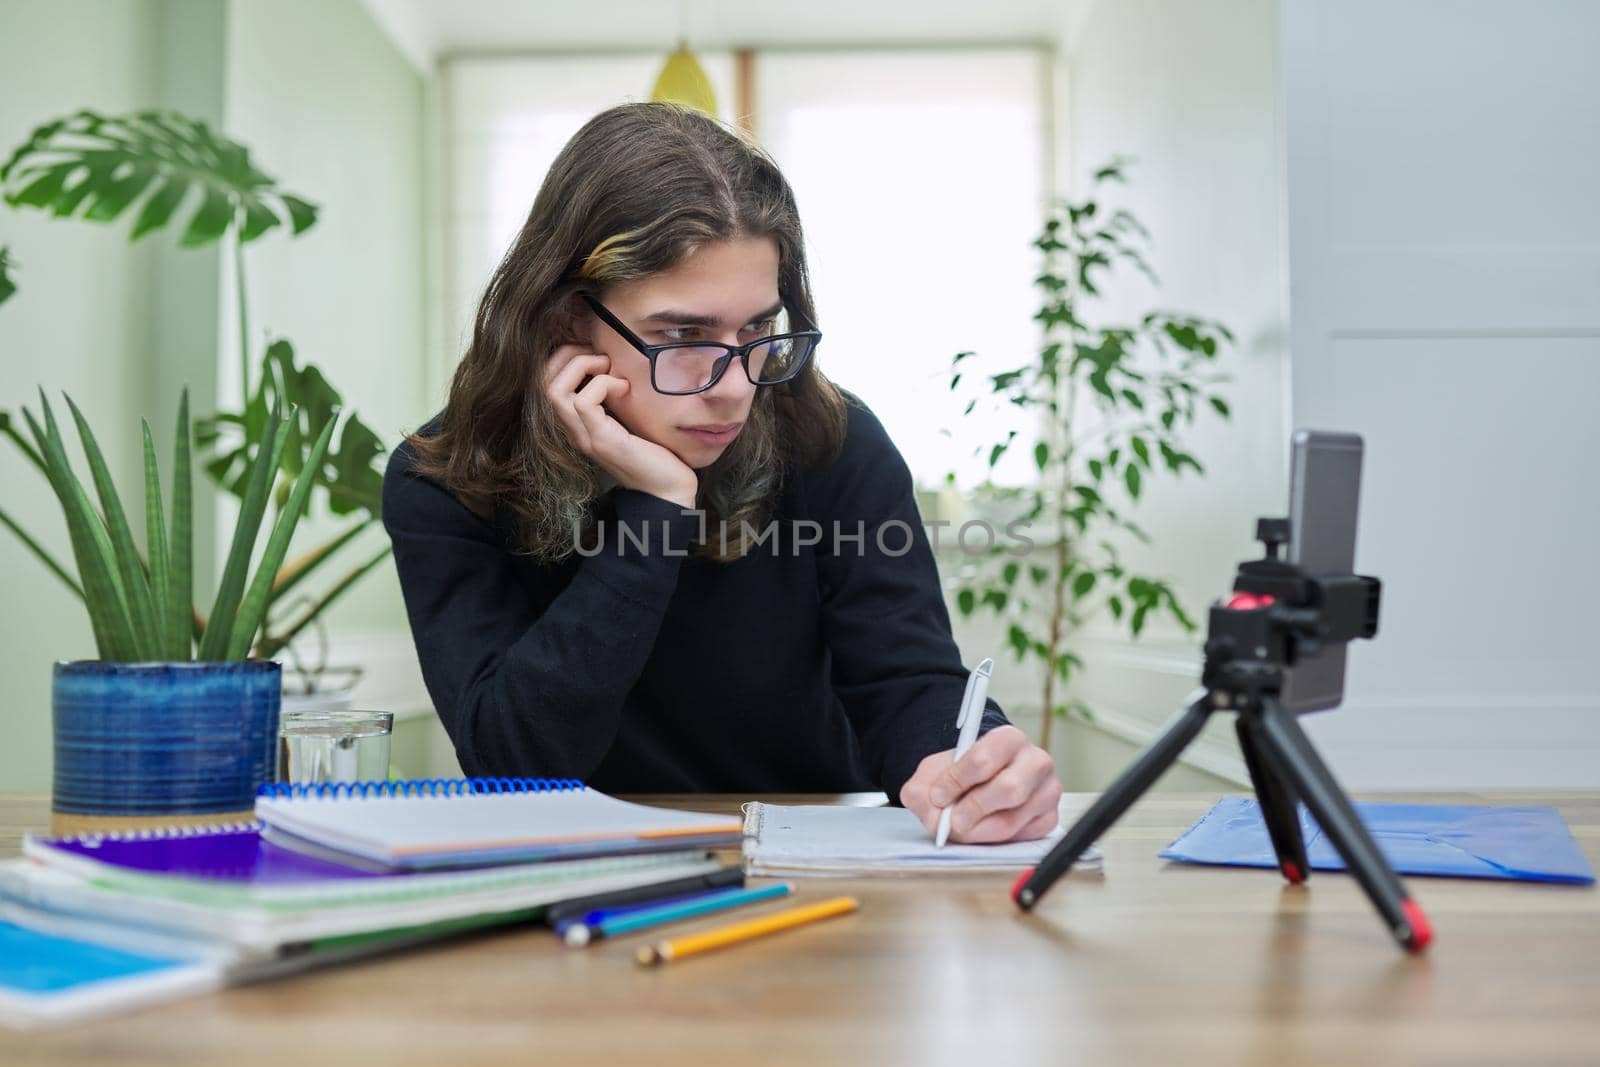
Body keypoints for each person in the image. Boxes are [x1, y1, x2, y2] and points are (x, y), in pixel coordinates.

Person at [383, 102, 1062, 844]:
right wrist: (657, 506)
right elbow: (515, 760)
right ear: (564, 320)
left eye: (757, 331)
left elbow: (906, 678)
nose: (735, 386)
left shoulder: (832, 439)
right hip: (579, 877)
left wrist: (965, 768)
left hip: (815, 870)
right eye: (683, 335)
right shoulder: (448, 478)